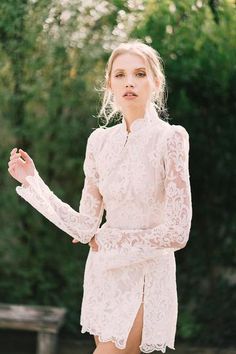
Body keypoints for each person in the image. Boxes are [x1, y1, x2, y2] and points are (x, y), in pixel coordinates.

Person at [8, 40, 192, 354]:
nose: (129, 82)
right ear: (109, 83)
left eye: (139, 73)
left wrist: (110, 241)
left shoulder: (171, 139)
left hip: (146, 274)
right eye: (119, 75)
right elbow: (85, 227)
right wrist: (33, 183)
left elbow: (178, 232)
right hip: (103, 275)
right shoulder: (99, 142)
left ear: (156, 82)